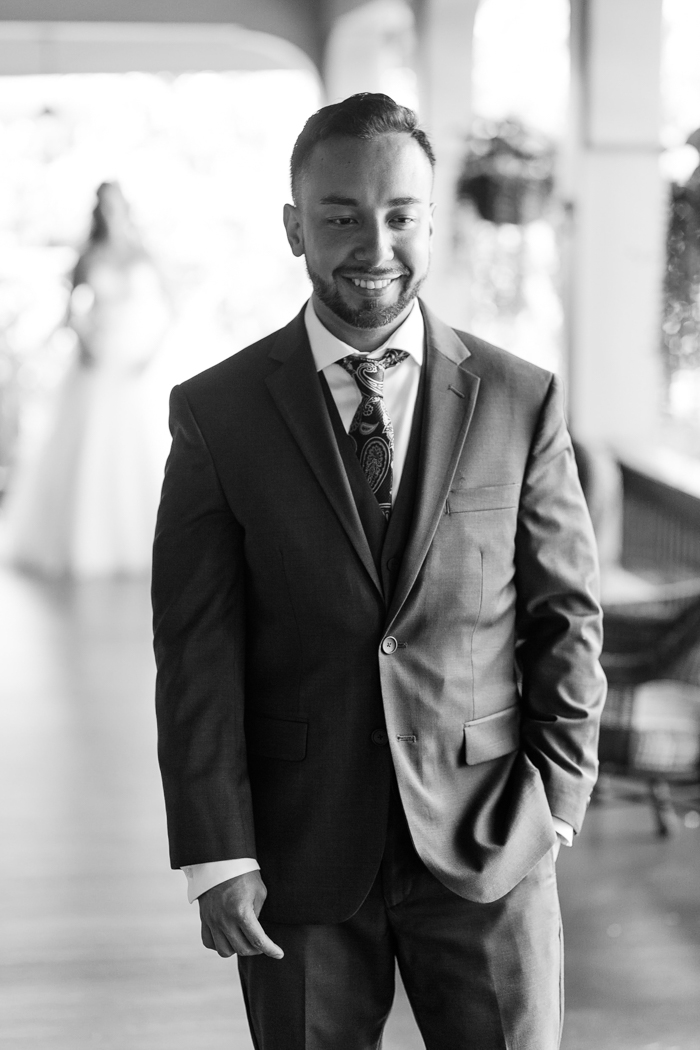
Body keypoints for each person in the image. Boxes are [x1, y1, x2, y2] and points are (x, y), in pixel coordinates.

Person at [153, 94, 606, 1050]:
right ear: (293, 227)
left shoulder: (522, 399)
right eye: (341, 216)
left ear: (432, 220)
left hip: (491, 843)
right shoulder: (216, 414)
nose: (376, 243)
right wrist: (217, 853)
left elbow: (566, 615)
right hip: (296, 855)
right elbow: (196, 651)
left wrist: (557, 804)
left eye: (401, 214)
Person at [5, 182, 171, 577]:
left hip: (134, 363)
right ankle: (83, 544)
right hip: (96, 360)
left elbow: (169, 308)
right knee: (90, 449)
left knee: (134, 451)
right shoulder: (88, 256)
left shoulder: (143, 255)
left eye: (115, 206)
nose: (110, 213)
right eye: (104, 206)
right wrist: (86, 343)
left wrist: (148, 353)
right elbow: (70, 314)